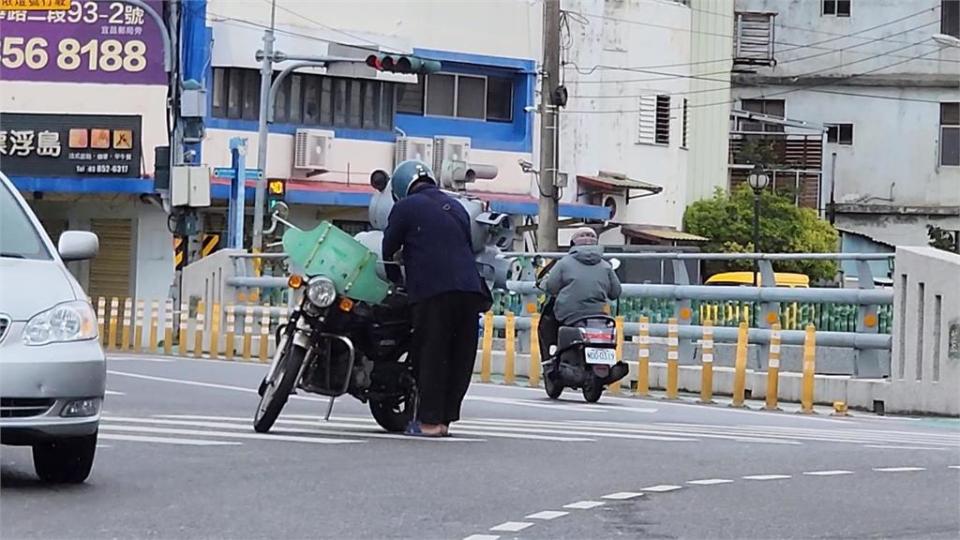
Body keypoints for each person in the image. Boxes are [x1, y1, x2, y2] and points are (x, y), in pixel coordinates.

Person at [382, 160, 490, 438]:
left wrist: (395, 281)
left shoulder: (404, 207)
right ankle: (444, 421)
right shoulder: (457, 207)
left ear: (400, 188)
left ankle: (428, 422)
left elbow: (388, 248)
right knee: (459, 355)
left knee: (431, 353)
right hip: (469, 290)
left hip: (433, 290)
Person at [540, 227, 622, 350]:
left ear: (572, 244)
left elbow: (551, 287)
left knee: (547, 326)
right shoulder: (606, 266)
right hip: (599, 314)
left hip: (569, 314)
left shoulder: (564, 263)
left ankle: (551, 359)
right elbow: (616, 292)